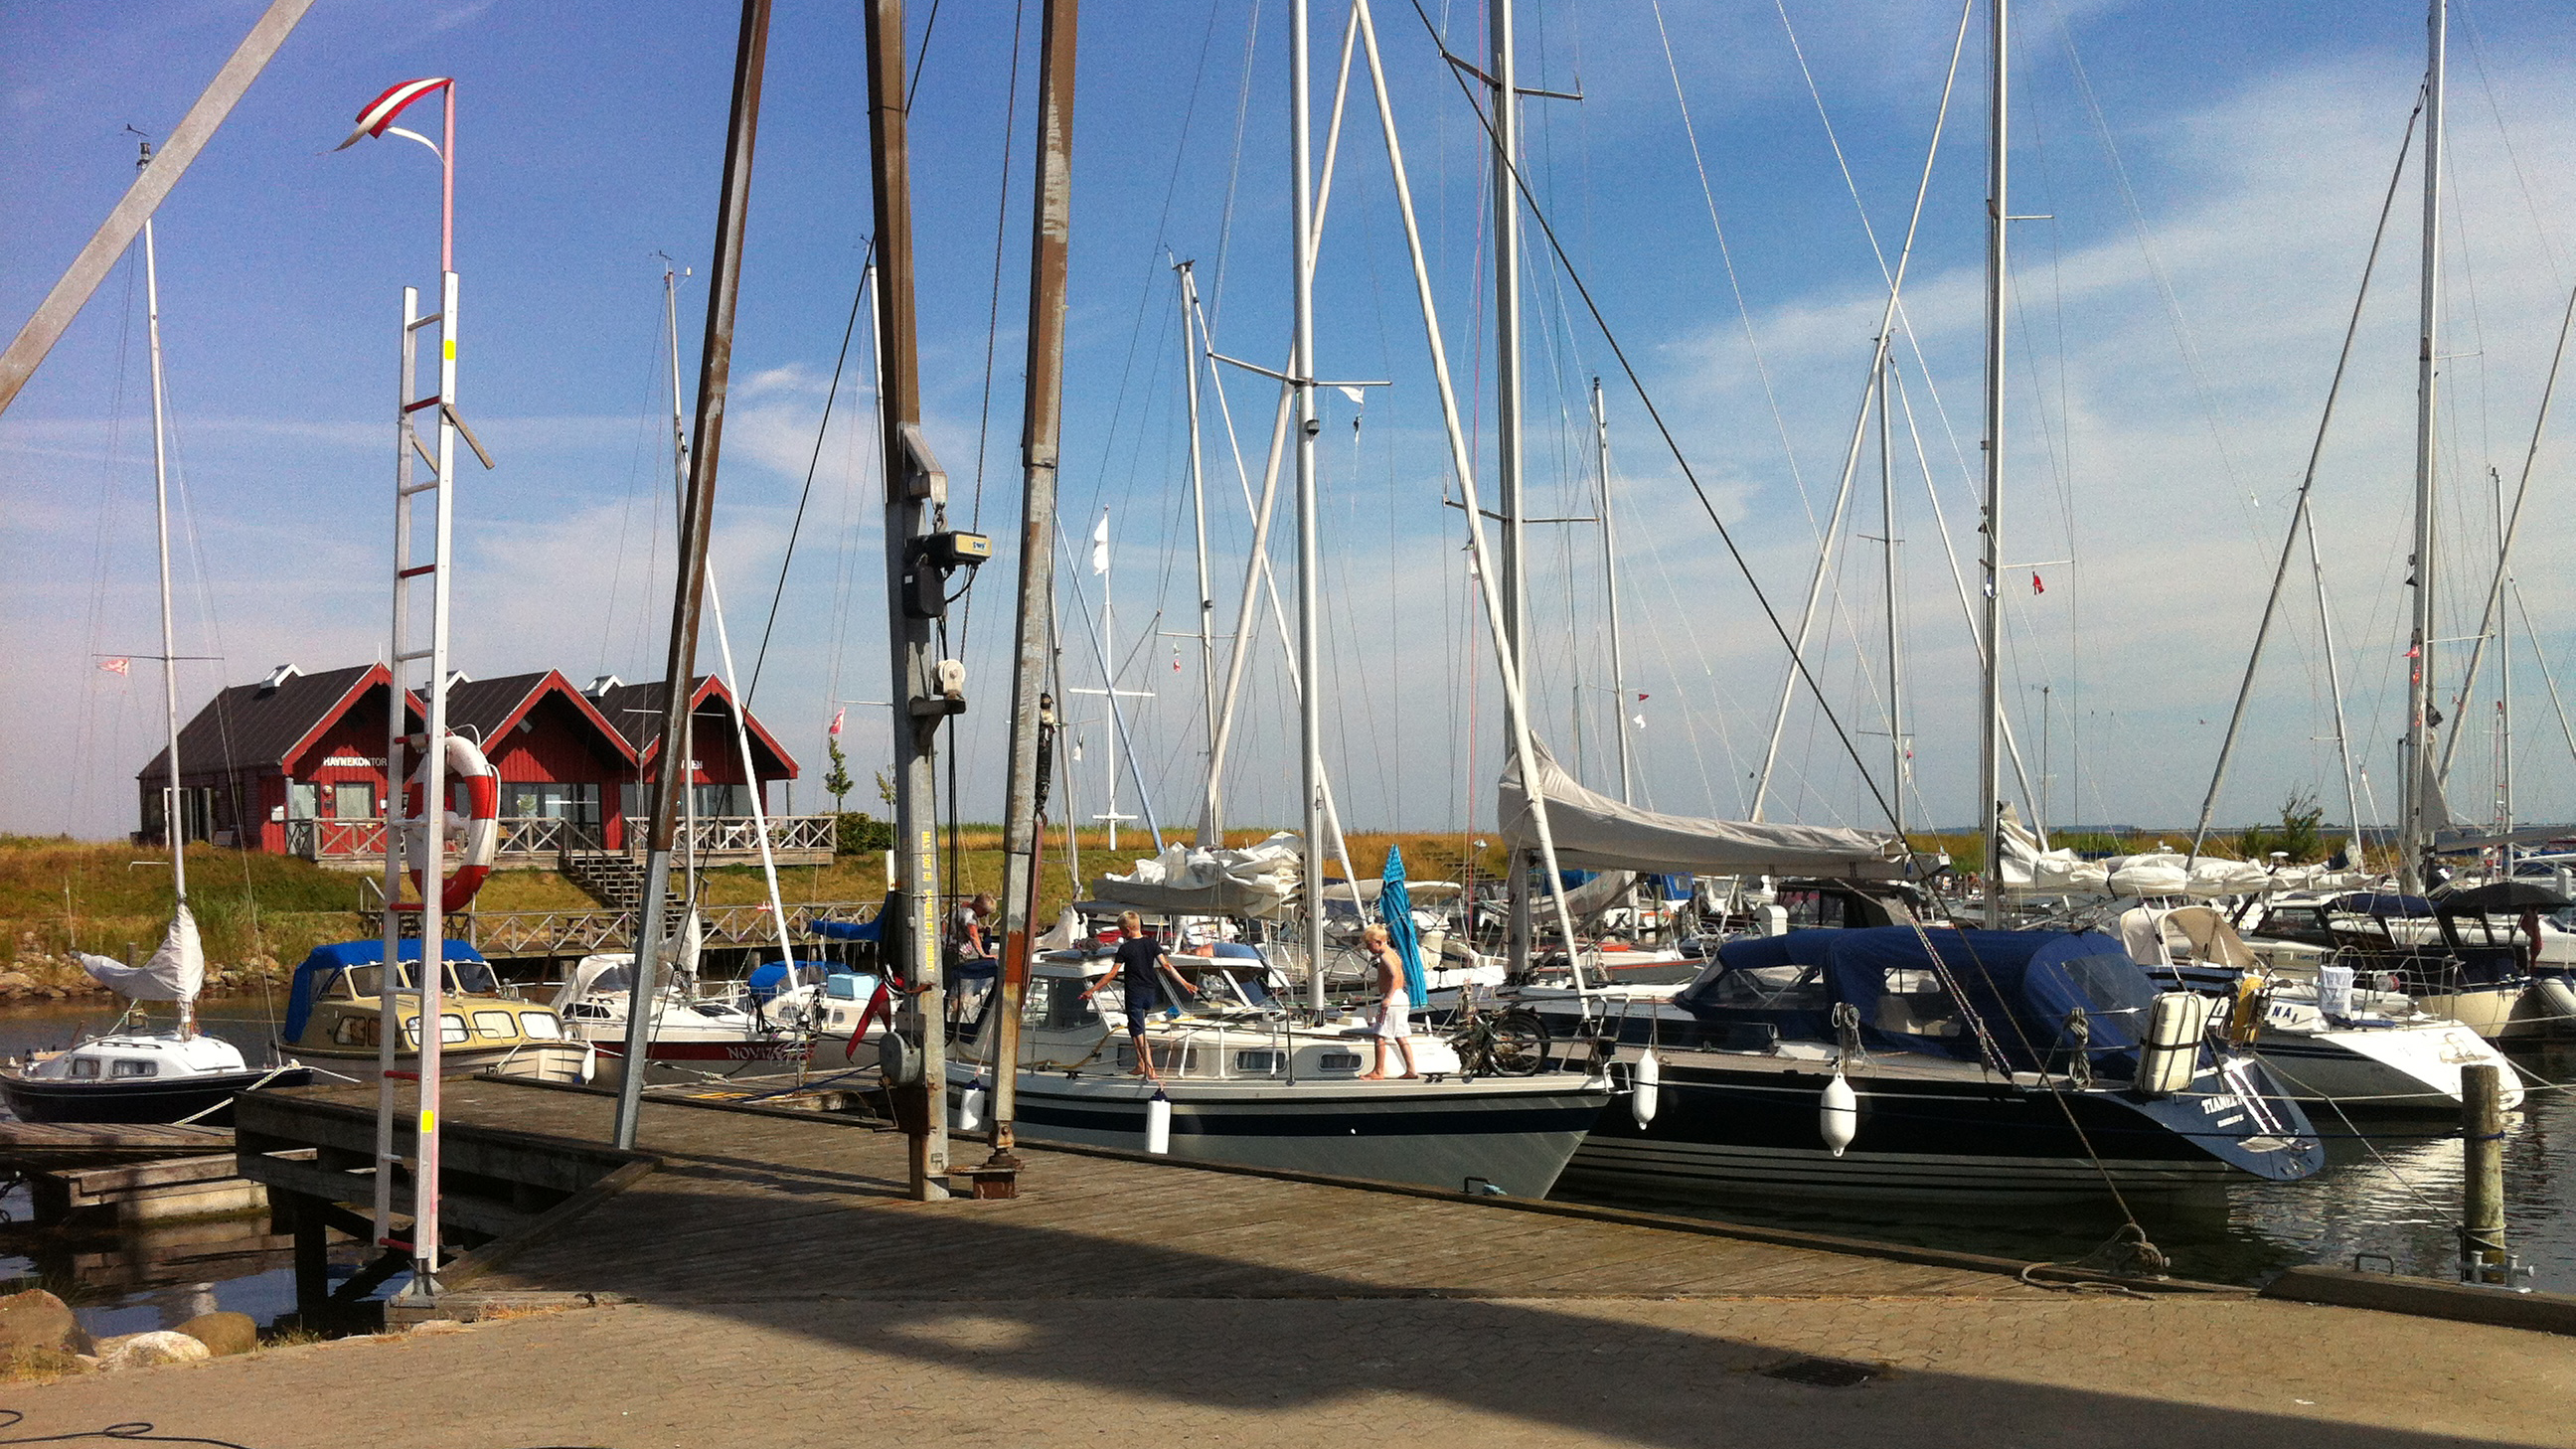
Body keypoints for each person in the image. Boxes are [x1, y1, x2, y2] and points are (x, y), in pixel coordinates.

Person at [1082, 910, 1196, 1083]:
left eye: (1121, 931)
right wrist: (1185, 983)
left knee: (1139, 1032)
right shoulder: (1152, 943)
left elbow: (1112, 974)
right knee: (1134, 1027)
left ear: (1127, 930)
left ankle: (1150, 1070)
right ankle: (1141, 1064)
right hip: (1150, 993)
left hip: (1134, 994)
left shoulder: (1125, 948)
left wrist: (1093, 989)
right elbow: (1166, 966)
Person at [1358, 923, 1417, 1080]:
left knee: (1379, 1034)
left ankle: (1378, 1071)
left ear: (1378, 942)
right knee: (1400, 1035)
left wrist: (1388, 998)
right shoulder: (1393, 954)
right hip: (1401, 997)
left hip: (1392, 998)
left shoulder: (1384, 956)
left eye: (1369, 944)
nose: (1368, 948)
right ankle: (1411, 1069)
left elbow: (1394, 976)